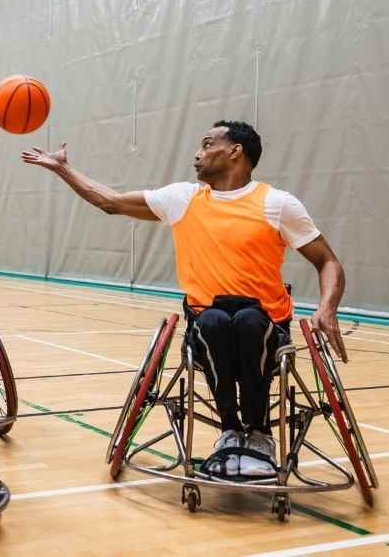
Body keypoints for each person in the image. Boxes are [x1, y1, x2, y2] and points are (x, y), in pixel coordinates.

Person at [22, 121, 347, 478]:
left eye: (207, 144)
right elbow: (110, 202)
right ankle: (229, 432)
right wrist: (64, 169)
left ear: (235, 151)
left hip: (265, 326)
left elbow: (327, 261)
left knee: (249, 320)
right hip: (207, 322)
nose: (197, 153)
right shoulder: (183, 199)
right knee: (215, 320)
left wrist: (326, 308)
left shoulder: (276, 204)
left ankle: (258, 434)